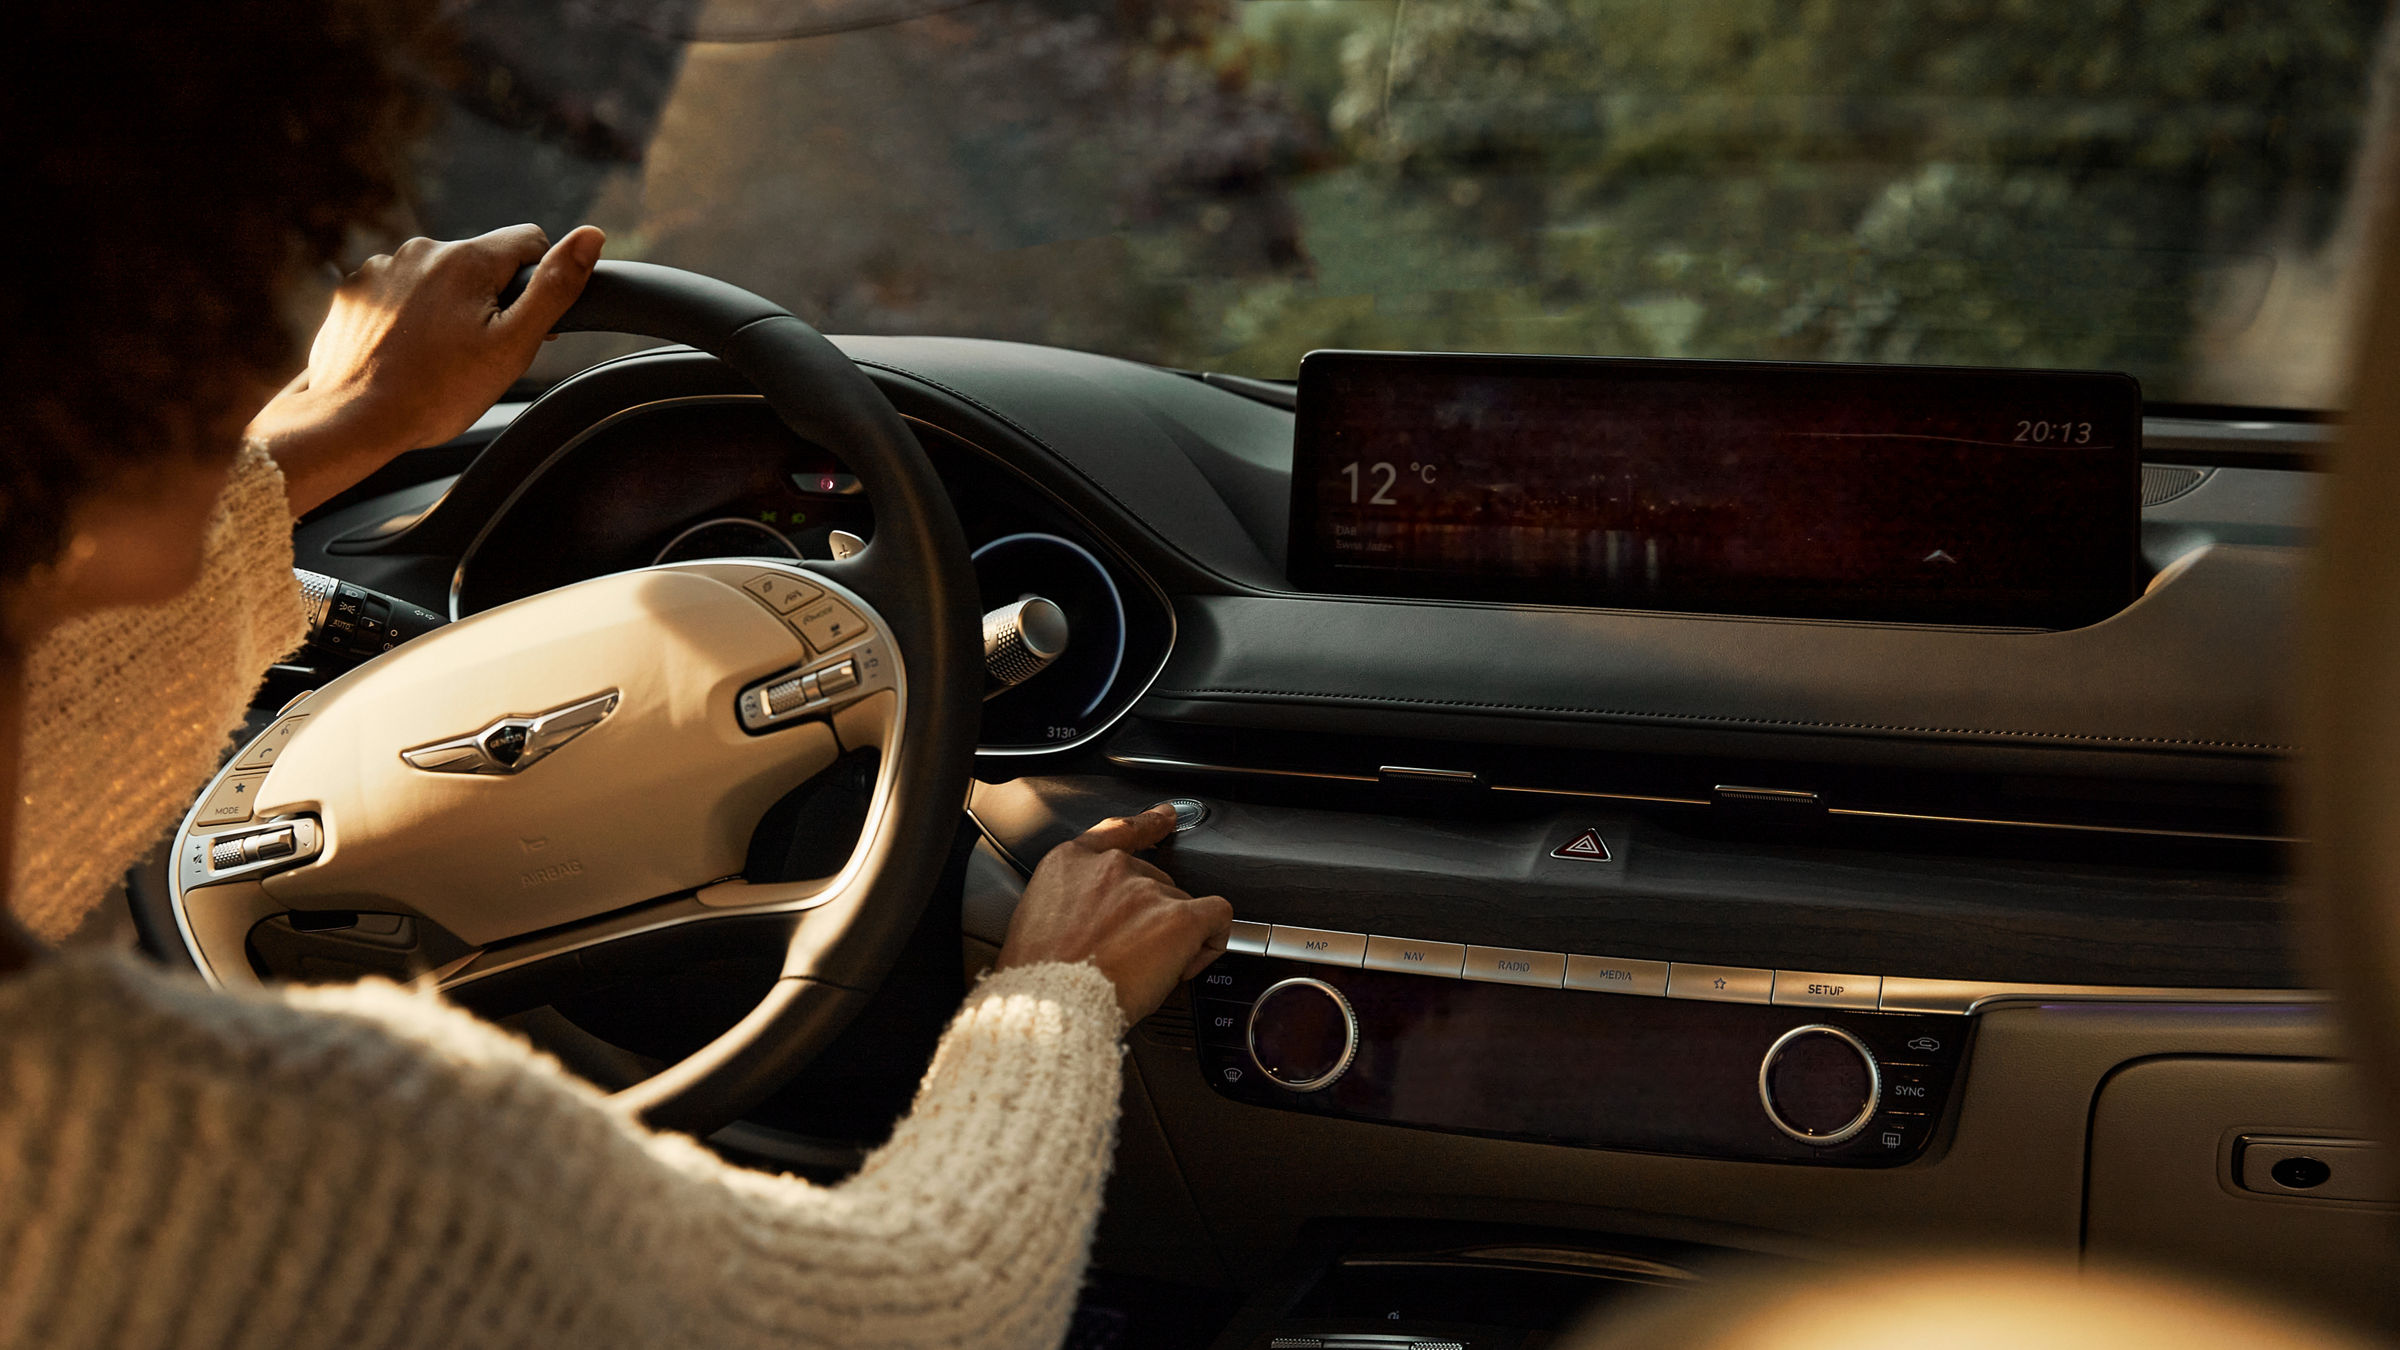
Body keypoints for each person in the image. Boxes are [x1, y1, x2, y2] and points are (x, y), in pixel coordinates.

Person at [0, 3, 1231, 1347]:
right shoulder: (303, 1162)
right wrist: (1055, 993)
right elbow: (927, 1305)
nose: (259, 349)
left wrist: (333, 430)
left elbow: (54, 698)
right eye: (247, 280)